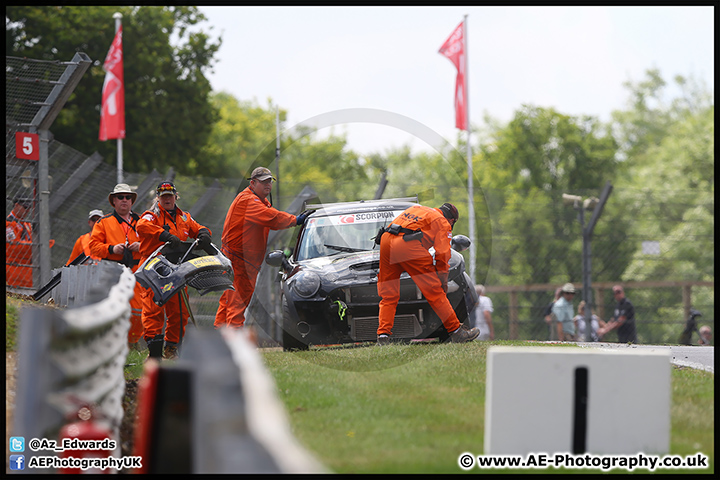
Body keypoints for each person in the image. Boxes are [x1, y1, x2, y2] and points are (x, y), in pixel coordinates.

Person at [214, 167, 312, 329]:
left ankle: (218, 343)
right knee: (237, 304)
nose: (268, 184)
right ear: (252, 183)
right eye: (263, 181)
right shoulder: (248, 200)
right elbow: (271, 218)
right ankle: (234, 347)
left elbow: (269, 217)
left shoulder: (257, 201)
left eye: (269, 181)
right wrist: (295, 220)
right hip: (240, 262)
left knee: (228, 303)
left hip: (239, 261)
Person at [376, 202, 479, 345]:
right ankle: (457, 332)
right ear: (452, 220)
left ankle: (383, 336)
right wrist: (442, 281)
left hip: (387, 240)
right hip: (408, 244)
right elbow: (442, 254)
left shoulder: (417, 208)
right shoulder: (443, 222)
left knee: (388, 294)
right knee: (435, 293)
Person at [137, 181, 213, 360]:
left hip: (177, 269)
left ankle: (171, 349)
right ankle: (154, 353)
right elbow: (141, 225)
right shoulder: (152, 215)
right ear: (158, 198)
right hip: (153, 269)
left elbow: (198, 228)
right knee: (152, 309)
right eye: (163, 196)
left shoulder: (184, 217)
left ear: (175, 196)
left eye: (170, 195)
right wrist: (164, 235)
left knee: (179, 311)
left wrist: (204, 234)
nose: (167, 199)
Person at [89, 184, 144, 345]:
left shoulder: (141, 222)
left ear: (132, 201)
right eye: (120, 197)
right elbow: (94, 247)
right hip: (113, 270)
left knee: (139, 310)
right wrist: (112, 248)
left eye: (128, 197)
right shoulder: (103, 222)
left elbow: (153, 242)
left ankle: (131, 343)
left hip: (137, 270)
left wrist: (141, 246)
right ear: (114, 201)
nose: (124, 200)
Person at [6, 196, 55, 288]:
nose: (27, 210)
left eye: (29, 208)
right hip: (14, 270)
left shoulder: (27, 224)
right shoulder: (8, 224)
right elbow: (14, 248)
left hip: (28, 271)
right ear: (16, 205)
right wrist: (39, 246)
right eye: (25, 207)